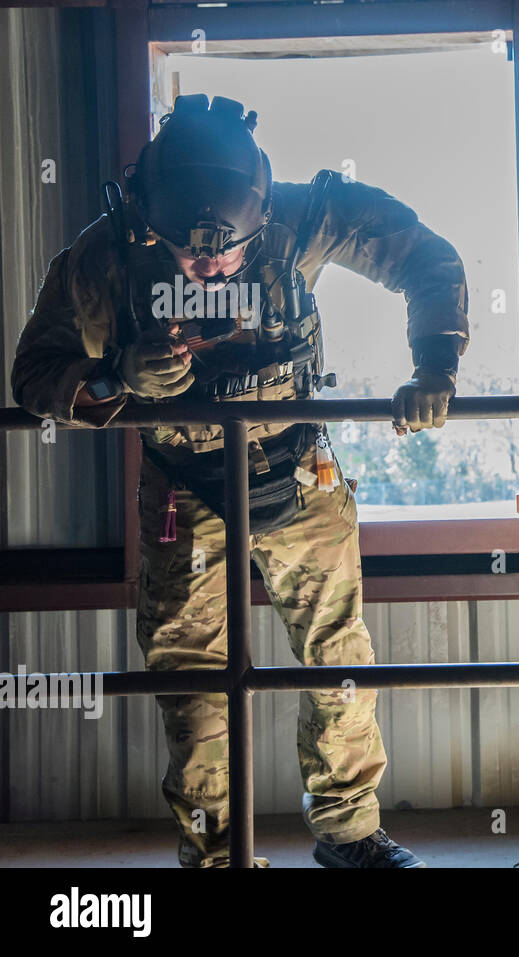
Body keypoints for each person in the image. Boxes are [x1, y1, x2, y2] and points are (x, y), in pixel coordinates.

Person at [10, 93, 469, 868]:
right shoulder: (106, 256)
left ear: (260, 212)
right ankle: (216, 855)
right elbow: (34, 372)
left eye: (227, 253)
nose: (210, 265)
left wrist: (434, 368)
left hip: (299, 471)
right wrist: (114, 376)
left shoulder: (308, 218)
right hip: (182, 491)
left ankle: (350, 832)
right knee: (193, 684)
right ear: (148, 216)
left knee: (339, 661)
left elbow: (428, 258)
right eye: (189, 255)